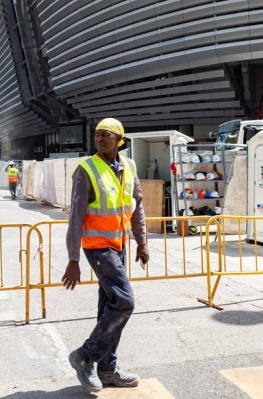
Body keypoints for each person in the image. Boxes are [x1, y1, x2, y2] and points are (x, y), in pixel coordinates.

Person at [62, 117, 149, 393]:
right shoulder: (86, 169)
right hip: (98, 247)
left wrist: (142, 242)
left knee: (108, 308)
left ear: (119, 139)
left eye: (106, 134)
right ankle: (85, 356)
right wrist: (73, 258)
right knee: (125, 302)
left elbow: (136, 207)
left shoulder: (129, 166)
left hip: (119, 245)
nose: (99, 138)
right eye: (97, 134)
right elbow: (75, 217)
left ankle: (108, 369)